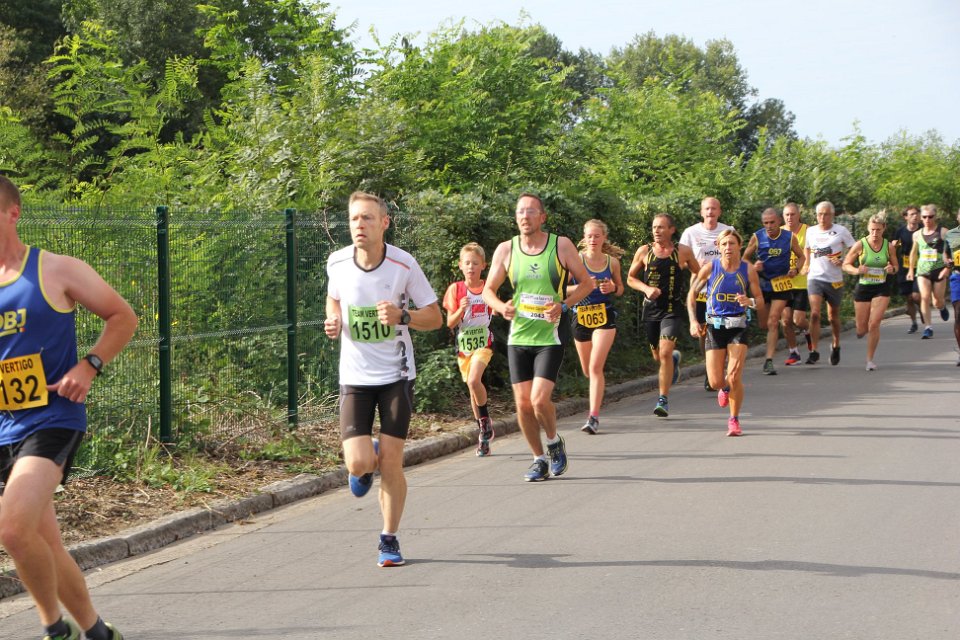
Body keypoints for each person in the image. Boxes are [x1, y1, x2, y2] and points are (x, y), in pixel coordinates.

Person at [0, 176, 137, 640]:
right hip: (2, 424)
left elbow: (123, 316)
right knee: (42, 542)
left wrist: (89, 365)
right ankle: (96, 631)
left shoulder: (55, 270)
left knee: (13, 530)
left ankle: (55, 630)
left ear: (13, 213)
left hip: (51, 417)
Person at [324, 191, 442, 567]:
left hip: (397, 375)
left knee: (392, 461)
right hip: (355, 376)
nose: (359, 225)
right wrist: (334, 319)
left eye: (367, 218)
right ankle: (366, 459)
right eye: (354, 218)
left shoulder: (403, 264)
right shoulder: (337, 262)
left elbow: (435, 317)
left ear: (384, 223)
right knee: (358, 464)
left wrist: (403, 317)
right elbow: (334, 298)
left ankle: (388, 539)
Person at [482, 193, 593, 482]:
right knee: (522, 404)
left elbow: (587, 283)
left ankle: (554, 442)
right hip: (519, 336)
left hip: (550, 336)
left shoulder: (561, 245)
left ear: (542, 217)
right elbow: (487, 290)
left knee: (539, 400)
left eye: (531, 211)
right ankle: (538, 459)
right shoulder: (506, 249)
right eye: (520, 211)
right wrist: (500, 307)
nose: (524, 216)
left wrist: (564, 305)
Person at [687, 229, 766, 436]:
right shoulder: (709, 269)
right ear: (718, 247)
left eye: (732, 243)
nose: (728, 247)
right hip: (715, 327)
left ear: (739, 246)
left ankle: (734, 420)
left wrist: (749, 301)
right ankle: (724, 388)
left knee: (734, 375)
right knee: (715, 382)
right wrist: (693, 321)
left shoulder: (748, 270)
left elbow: (760, 300)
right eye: (724, 244)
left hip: (738, 326)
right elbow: (691, 294)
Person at [627, 214, 700, 417]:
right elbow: (630, 278)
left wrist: (693, 290)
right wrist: (646, 289)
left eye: (661, 227)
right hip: (651, 310)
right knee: (658, 356)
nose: (656, 231)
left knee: (665, 352)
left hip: (672, 309)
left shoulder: (682, 252)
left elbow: (699, 273)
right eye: (654, 228)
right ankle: (673, 361)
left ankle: (663, 399)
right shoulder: (644, 251)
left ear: (671, 230)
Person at [569, 220, 625, 434]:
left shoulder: (612, 263)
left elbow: (620, 289)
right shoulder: (576, 260)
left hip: (604, 317)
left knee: (594, 367)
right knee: (588, 371)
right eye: (589, 236)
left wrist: (613, 287)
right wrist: (583, 286)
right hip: (580, 316)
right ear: (584, 238)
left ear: (604, 238)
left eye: (597, 236)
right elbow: (560, 289)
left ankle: (593, 417)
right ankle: (598, 388)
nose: (593, 240)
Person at [442, 242, 496, 455]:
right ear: (460, 265)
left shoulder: (488, 287)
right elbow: (450, 323)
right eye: (467, 263)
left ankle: (485, 422)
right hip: (464, 346)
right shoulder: (456, 290)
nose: (471, 267)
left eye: (475, 263)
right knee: (473, 390)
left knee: (474, 380)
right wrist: (461, 309)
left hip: (484, 343)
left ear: (483, 265)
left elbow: (496, 307)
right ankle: (483, 433)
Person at [679, 197, 733, 390]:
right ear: (701, 212)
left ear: (719, 211)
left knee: (724, 330)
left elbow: (736, 257)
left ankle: (721, 369)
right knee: (704, 333)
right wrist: (694, 265)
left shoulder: (728, 231)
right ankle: (711, 371)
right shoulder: (690, 233)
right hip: (701, 289)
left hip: (723, 290)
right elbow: (680, 261)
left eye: (714, 209)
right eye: (707, 209)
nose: (710, 212)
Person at [743, 207, 805, 375]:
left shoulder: (789, 237)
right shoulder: (757, 237)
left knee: (773, 321)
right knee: (764, 324)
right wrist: (753, 266)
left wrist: (795, 269)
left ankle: (769, 361)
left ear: (779, 221)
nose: (769, 226)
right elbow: (744, 259)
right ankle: (771, 351)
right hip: (762, 284)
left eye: (772, 222)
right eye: (765, 223)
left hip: (781, 283)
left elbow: (802, 257)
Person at [801, 201, 855, 365]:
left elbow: (855, 249)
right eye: (820, 214)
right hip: (815, 277)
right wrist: (806, 264)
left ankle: (836, 345)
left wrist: (844, 261)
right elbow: (807, 248)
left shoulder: (841, 231)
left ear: (832, 215)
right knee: (815, 314)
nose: (822, 217)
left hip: (834, 279)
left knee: (833, 317)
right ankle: (814, 350)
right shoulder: (810, 231)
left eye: (826, 214)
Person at [842, 213, 898, 370]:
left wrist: (892, 269)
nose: (875, 233)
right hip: (864, 287)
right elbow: (846, 264)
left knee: (874, 323)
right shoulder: (860, 245)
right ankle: (861, 330)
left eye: (878, 230)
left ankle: (869, 360)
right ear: (868, 228)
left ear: (883, 229)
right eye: (872, 229)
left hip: (881, 287)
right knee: (861, 328)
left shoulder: (889, 246)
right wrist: (857, 270)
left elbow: (896, 267)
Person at [906, 204, 952, 338]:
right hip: (923, 271)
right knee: (925, 297)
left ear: (935, 216)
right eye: (925, 217)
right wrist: (910, 270)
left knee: (937, 301)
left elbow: (952, 250)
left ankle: (942, 307)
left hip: (939, 270)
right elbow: (913, 253)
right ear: (921, 217)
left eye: (930, 217)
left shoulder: (943, 232)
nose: (927, 219)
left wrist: (948, 268)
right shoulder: (916, 235)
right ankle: (928, 327)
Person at [780, 203, 813, 365]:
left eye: (792, 214)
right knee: (786, 320)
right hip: (783, 284)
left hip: (802, 283)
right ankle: (794, 353)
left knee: (798, 320)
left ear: (799, 215)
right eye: (787, 215)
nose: (789, 217)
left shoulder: (809, 231)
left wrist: (804, 267)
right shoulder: (778, 232)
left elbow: (813, 254)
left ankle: (810, 334)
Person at [891, 206, 922, 333]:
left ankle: (922, 308)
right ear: (906, 217)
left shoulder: (923, 229)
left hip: (920, 265)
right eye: (912, 214)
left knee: (916, 296)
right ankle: (914, 323)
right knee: (909, 298)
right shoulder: (900, 231)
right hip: (904, 266)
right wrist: (894, 245)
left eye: (917, 214)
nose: (915, 216)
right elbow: (894, 245)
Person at [945, 208, 960, 365]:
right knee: (958, 314)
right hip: (957, 276)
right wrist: (947, 261)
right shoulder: (950, 234)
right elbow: (945, 254)